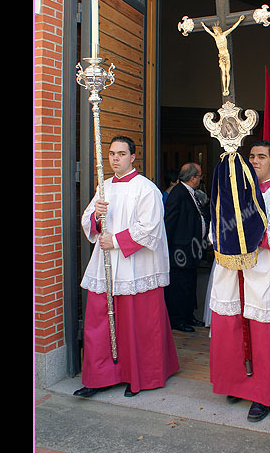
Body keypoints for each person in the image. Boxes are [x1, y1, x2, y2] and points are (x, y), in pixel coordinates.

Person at [75, 136, 179, 398]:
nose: (115, 158)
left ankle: (139, 376)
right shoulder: (104, 187)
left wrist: (117, 240)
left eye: (121, 154)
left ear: (133, 157)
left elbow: (151, 228)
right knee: (100, 322)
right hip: (106, 267)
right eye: (112, 154)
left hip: (136, 266)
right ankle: (99, 376)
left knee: (138, 324)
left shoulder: (146, 189)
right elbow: (88, 222)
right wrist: (97, 218)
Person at [208, 140, 270, 422]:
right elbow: (215, 228)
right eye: (251, 156)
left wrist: (250, 235)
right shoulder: (231, 193)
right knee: (234, 333)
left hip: (267, 279)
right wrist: (225, 237)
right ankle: (237, 384)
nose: (255, 161)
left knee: (265, 340)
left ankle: (264, 395)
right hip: (233, 275)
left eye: (262, 157)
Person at [164, 163, 206, 332]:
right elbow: (169, 222)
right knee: (179, 286)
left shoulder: (190, 193)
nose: (201, 179)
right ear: (192, 178)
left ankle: (189, 315)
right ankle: (178, 319)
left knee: (189, 284)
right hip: (180, 250)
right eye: (200, 176)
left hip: (191, 249)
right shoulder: (178, 194)